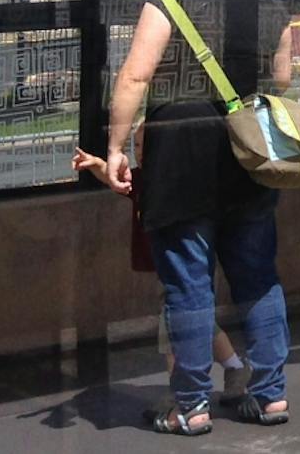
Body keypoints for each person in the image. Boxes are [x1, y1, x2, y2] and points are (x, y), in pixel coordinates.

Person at [105, 0, 295, 434]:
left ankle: (190, 405)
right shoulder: (269, 1)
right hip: (248, 154)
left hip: (180, 156)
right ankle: (270, 395)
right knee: (257, 276)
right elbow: (281, 79)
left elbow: (134, 79)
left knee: (189, 283)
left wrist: (116, 145)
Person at [72, 146, 249, 410]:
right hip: (169, 264)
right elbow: (117, 179)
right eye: (138, 146)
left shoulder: (178, 179)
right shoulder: (142, 179)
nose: (143, 152)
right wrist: (98, 163)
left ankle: (179, 392)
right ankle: (234, 366)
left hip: (183, 263)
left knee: (173, 328)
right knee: (199, 320)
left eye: (149, 143)